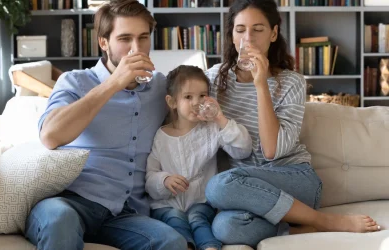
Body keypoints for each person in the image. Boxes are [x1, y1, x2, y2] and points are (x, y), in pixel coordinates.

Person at [204, 0, 381, 248]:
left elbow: (272, 151)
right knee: (226, 227)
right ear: (232, 35)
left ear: (274, 33)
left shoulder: (291, 82)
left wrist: (261, 84)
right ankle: (299, 226)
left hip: (293, 178)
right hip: (248, 190)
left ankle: (323, 220)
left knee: (219, 185)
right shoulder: (214, 80)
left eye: (258, 29)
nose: (248, 39)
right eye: (240, 29)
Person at [24, 1, 188, 250]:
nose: (136, 48)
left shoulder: (161, 89)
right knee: (60, 220)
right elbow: (50, 135)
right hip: (69, 203)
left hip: (125, 213)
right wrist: (113, 83)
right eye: (125, 39)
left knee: (171, 242)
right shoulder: (75, 82)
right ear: (103, 42)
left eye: (143, 38)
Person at [145, 65, 253, 250]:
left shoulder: (211, 130)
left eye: (202, 95)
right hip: (166, 204)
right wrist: (164, 180)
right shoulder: (161, 136)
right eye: (188, 97)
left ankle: (210, 246)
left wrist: (220, 119)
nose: (197, 102)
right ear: (172, 102)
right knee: (175, 218)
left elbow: (243, 149)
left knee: (198, 218)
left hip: (201, 202)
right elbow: (150, 176)